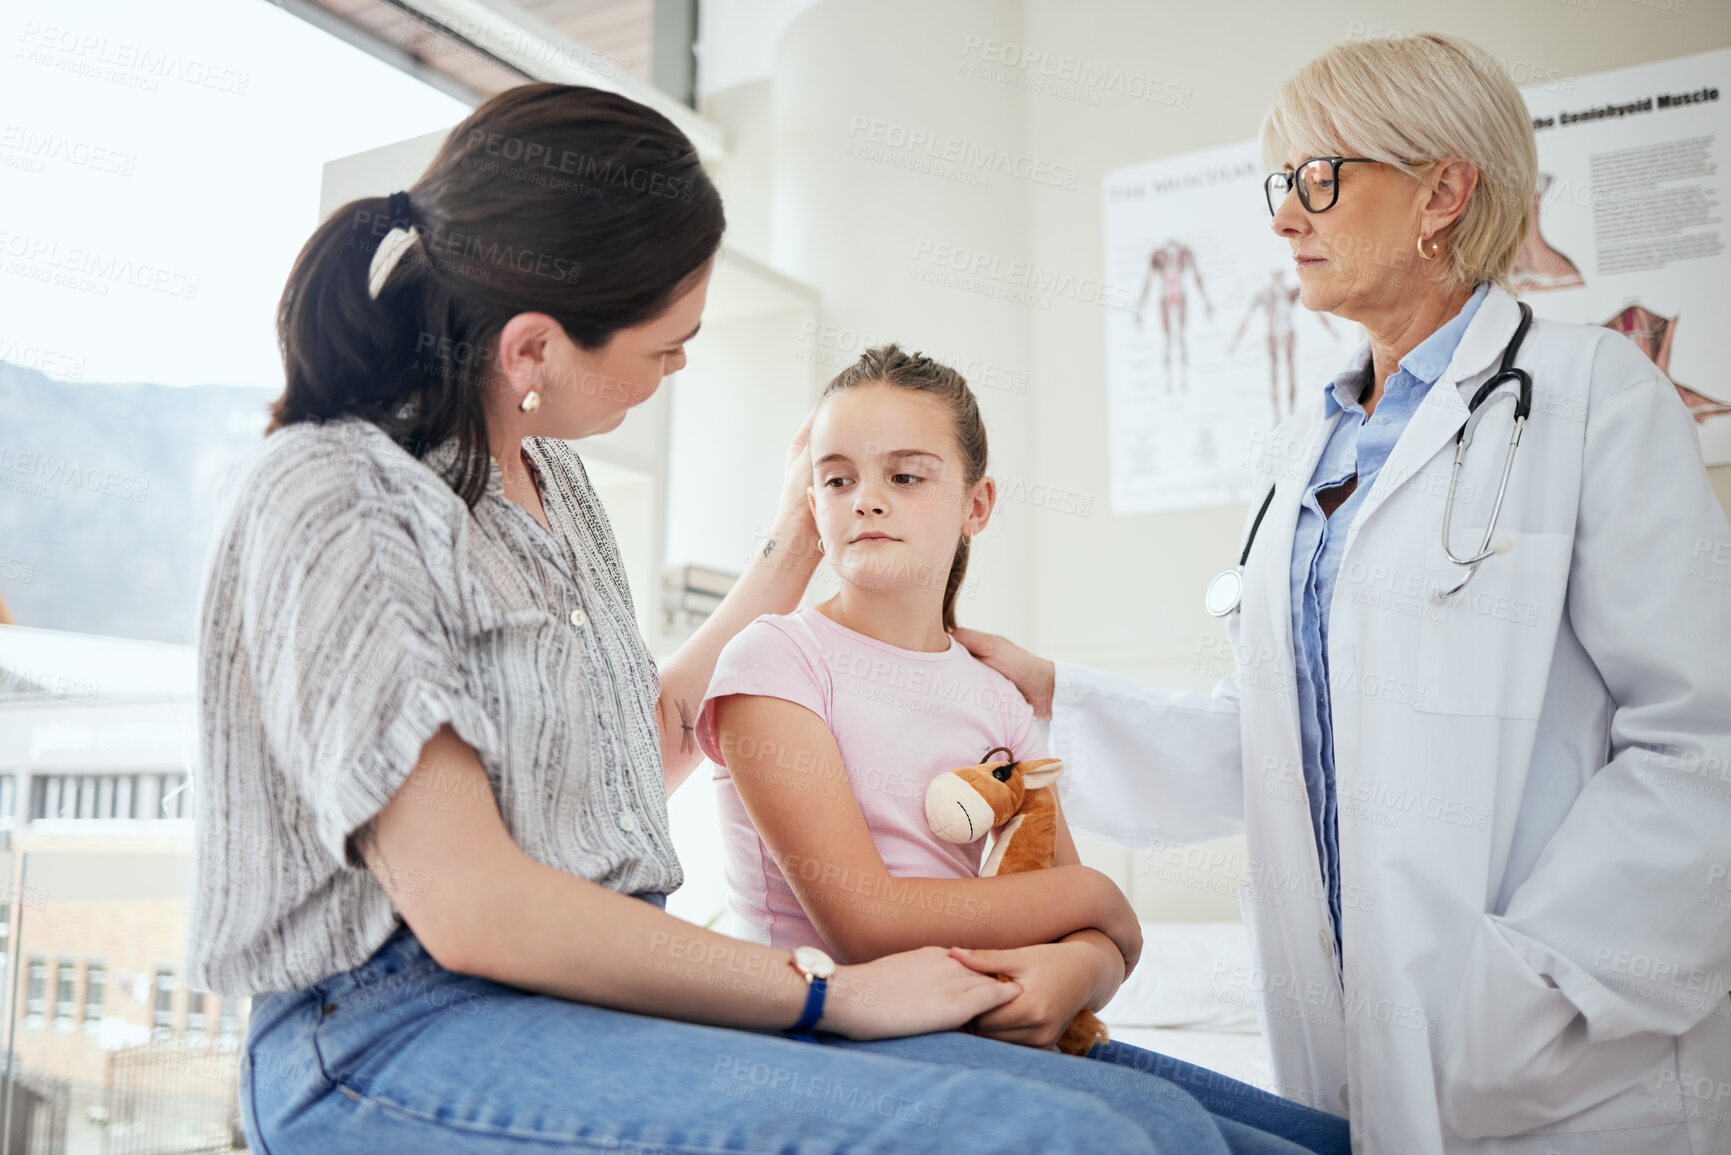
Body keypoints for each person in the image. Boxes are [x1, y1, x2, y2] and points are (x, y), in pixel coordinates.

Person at [187, 82, 1300, 1155]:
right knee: (1074, 1136)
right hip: (397, 1032)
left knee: (1193, 1127)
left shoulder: (550, 484)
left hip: (584, 993)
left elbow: (637, 743)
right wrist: (830, 995)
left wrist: (804, 530)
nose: (674, 370)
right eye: (666, 349)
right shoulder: (339, 498)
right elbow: (474, 906)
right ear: (532, 349)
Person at [953, 33, 1731, 1155]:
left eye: (1318, 179)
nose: (1284, 219)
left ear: (1443, 191)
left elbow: (1703, 742)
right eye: (1282, 185)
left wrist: (1529, 993)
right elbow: (1282, 737)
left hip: (1567, 1067)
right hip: (1342, 1052)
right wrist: (1058, 697)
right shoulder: (1305, 450)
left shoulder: (1591, 395)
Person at [695, 344, 1351, 1154]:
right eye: (835, 478)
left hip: (989, 1028)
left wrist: (1078, 970)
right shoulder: (776, 660)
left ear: (978, 504)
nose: (865, 499)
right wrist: (1100, 900)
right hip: (843, 1044)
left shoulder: (991, 693)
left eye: (905, 476)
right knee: (1178, 1135)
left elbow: (1095, 945)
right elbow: (866, 923)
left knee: (1334, 1142)